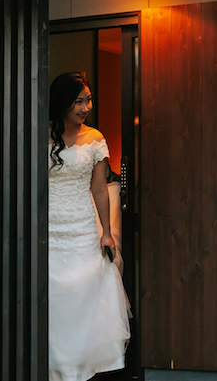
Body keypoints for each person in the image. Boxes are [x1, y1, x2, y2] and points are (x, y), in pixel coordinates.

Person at [48, 72, 130, 381]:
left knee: (84, 294)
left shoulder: (95, 138)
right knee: (54, 298)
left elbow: (98, 188)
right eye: (79, 101)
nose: (85, 107)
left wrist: (106, 232)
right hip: (50, 227)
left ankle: (81, 366)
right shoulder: (42, 134)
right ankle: (54, 366)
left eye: (88, 100)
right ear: (63, 102)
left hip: (81, 226)